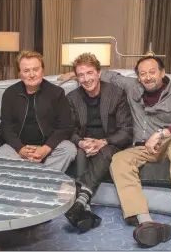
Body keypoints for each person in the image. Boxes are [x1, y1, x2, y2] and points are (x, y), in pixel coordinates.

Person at [59, 56, 171, 246]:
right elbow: (109, 75)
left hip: (170, 143)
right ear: (138, 77)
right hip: (141, 147)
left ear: (162, 72)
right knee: (118, 159)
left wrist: (164, 132)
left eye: (152, 72)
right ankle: (145, 221)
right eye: (143, 74)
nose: (148, 77)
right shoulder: (131, 86)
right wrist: (76, 73)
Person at [63, 53, 133, 233]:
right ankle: (85, 211)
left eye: (90, 73)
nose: (86, 79)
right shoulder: (72, 98)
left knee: (107, 151)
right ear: (77, 77)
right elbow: (69, 130)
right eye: (81, 75)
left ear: (99, 73)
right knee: (78, 152)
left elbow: (126, 131)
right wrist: (81, 143)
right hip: (85, 145)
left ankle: (81, 198)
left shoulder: (116, 94)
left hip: (109, 144)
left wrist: (102, 142)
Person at [0, 50, 76, 172]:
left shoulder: (56, 93)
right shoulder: (10, 93)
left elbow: (66, 126)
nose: (32, 74)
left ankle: (38, 178)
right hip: (21, 148)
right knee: (2, 152)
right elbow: (6, 127)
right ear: (19, 74)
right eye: (26, 71)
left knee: (69, 149)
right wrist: (20, 149)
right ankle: (42, 177)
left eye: (36, 69)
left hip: (48, 147)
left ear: (42, 71)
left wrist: (46, 149)